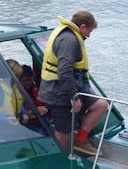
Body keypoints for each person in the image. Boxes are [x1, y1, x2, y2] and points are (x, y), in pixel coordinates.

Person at [38, 11, 108, 156]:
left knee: (101, 105)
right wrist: (74, 97)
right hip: (58, 92)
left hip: (74, 87)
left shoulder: (71, 36)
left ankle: (80, 140)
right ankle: (61, 158)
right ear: (83, 27)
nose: (89, 35)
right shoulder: (69, 40)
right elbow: (64, 71)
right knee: (63, 133)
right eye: (89, 30)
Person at [20, 64, 50, 130]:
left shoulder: (35, 87)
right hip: (28, 123)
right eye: (25, 80)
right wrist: (35, 110)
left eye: (30, 80)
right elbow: (18, 113)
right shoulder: (17, 92)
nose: (28, 82)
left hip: (42, 119)